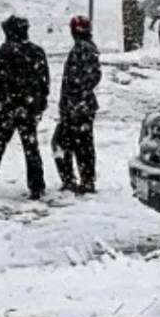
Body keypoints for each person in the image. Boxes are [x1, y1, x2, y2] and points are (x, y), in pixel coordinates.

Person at [0, 15, 49, 199]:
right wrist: (39, 105)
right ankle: (36, 185)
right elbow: (43, 83)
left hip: (7, 106)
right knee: (31, 148)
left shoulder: (3, 51)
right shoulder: (37, 52)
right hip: (27, 108)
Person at [54, 15, 102, 194]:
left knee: (61, 143)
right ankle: (86, 180)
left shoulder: (81, 49)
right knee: (84, 145)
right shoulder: (89, 48)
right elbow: (92, 77)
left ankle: (71, 180)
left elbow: (81, 80)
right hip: (84, 106)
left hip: (76, 107)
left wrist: (73, 102)